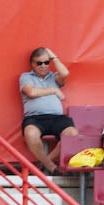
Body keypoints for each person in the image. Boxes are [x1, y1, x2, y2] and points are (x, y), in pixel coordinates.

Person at [19, 47, 77, 175]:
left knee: (72, 133)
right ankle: (51, 166)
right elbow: (31, 92)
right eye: (39, 63)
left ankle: (44, 163)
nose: (43, 66)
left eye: (46, 62)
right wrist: (54, 90)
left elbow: (65, 73)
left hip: (57, 118)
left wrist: (53, 57)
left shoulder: (54, 77)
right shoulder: (26, 77)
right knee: (30, 134)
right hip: (35, 118)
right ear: (32, 64)